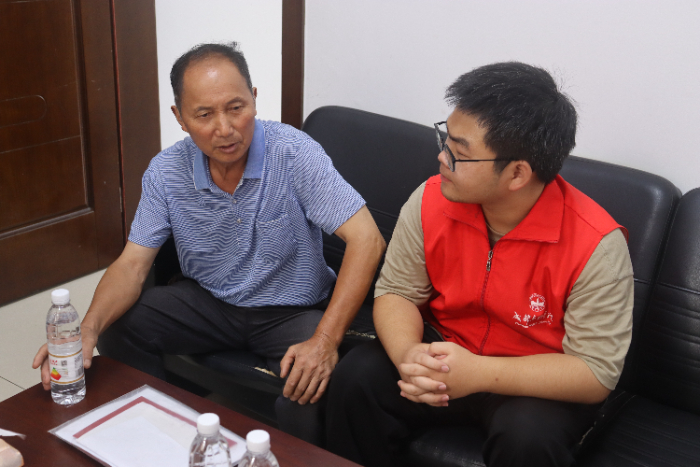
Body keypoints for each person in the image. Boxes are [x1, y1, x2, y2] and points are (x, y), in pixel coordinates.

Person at [33, 42, 385, 411]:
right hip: (209, 304)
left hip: (291, 311)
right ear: (180, 117)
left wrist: (325, 340)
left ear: (254, 98)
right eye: (204, 115)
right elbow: (132, 264)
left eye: (236, 108)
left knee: (313, 384)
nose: (225, 129)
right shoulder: (166, 171)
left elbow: (368, 240)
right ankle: (162, 419)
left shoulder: (293, 152)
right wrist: (87, 328)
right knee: (119, 327)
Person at [325, 62, 633, 467]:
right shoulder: (431, 199)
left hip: (529, 380)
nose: (441, 157)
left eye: (459, 152)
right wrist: (409, 356)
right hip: (444, 351)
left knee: (528, 438)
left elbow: (594, 372)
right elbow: (398, 291)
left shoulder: (596, 245)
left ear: (517, 174)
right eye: (445, 139)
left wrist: (479, 373)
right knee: (356, 378)